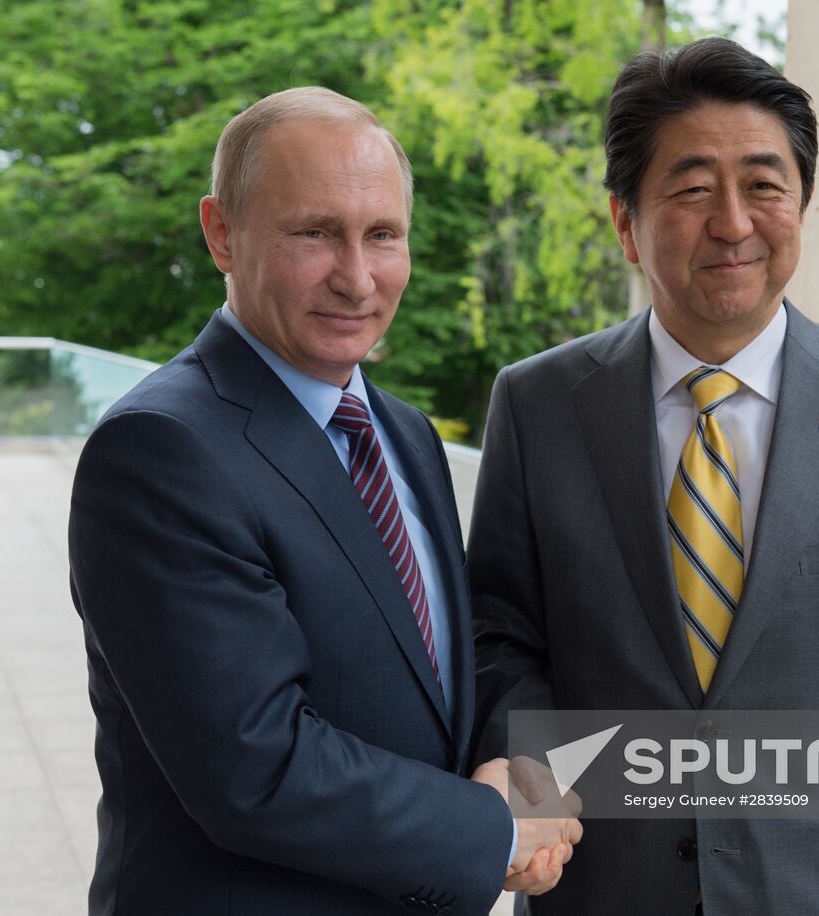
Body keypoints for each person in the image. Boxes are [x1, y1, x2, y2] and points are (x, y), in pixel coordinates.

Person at [467, 38, 819, 915]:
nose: (733, 222)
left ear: (804, 200)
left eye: (763, 184)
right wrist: (530, 773)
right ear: (623, 220)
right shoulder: (539, 406)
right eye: (690, 188)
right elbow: (503, 638)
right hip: (608, 888)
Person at [68, 87, 580, 916]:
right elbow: (255, 766)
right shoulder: (161, 450)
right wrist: (495, 828)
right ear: (221, 233)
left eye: (382, 235)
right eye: (314, 232)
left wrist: (524, 770)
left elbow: (445, 664)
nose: (356, 276)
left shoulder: (403, 433)